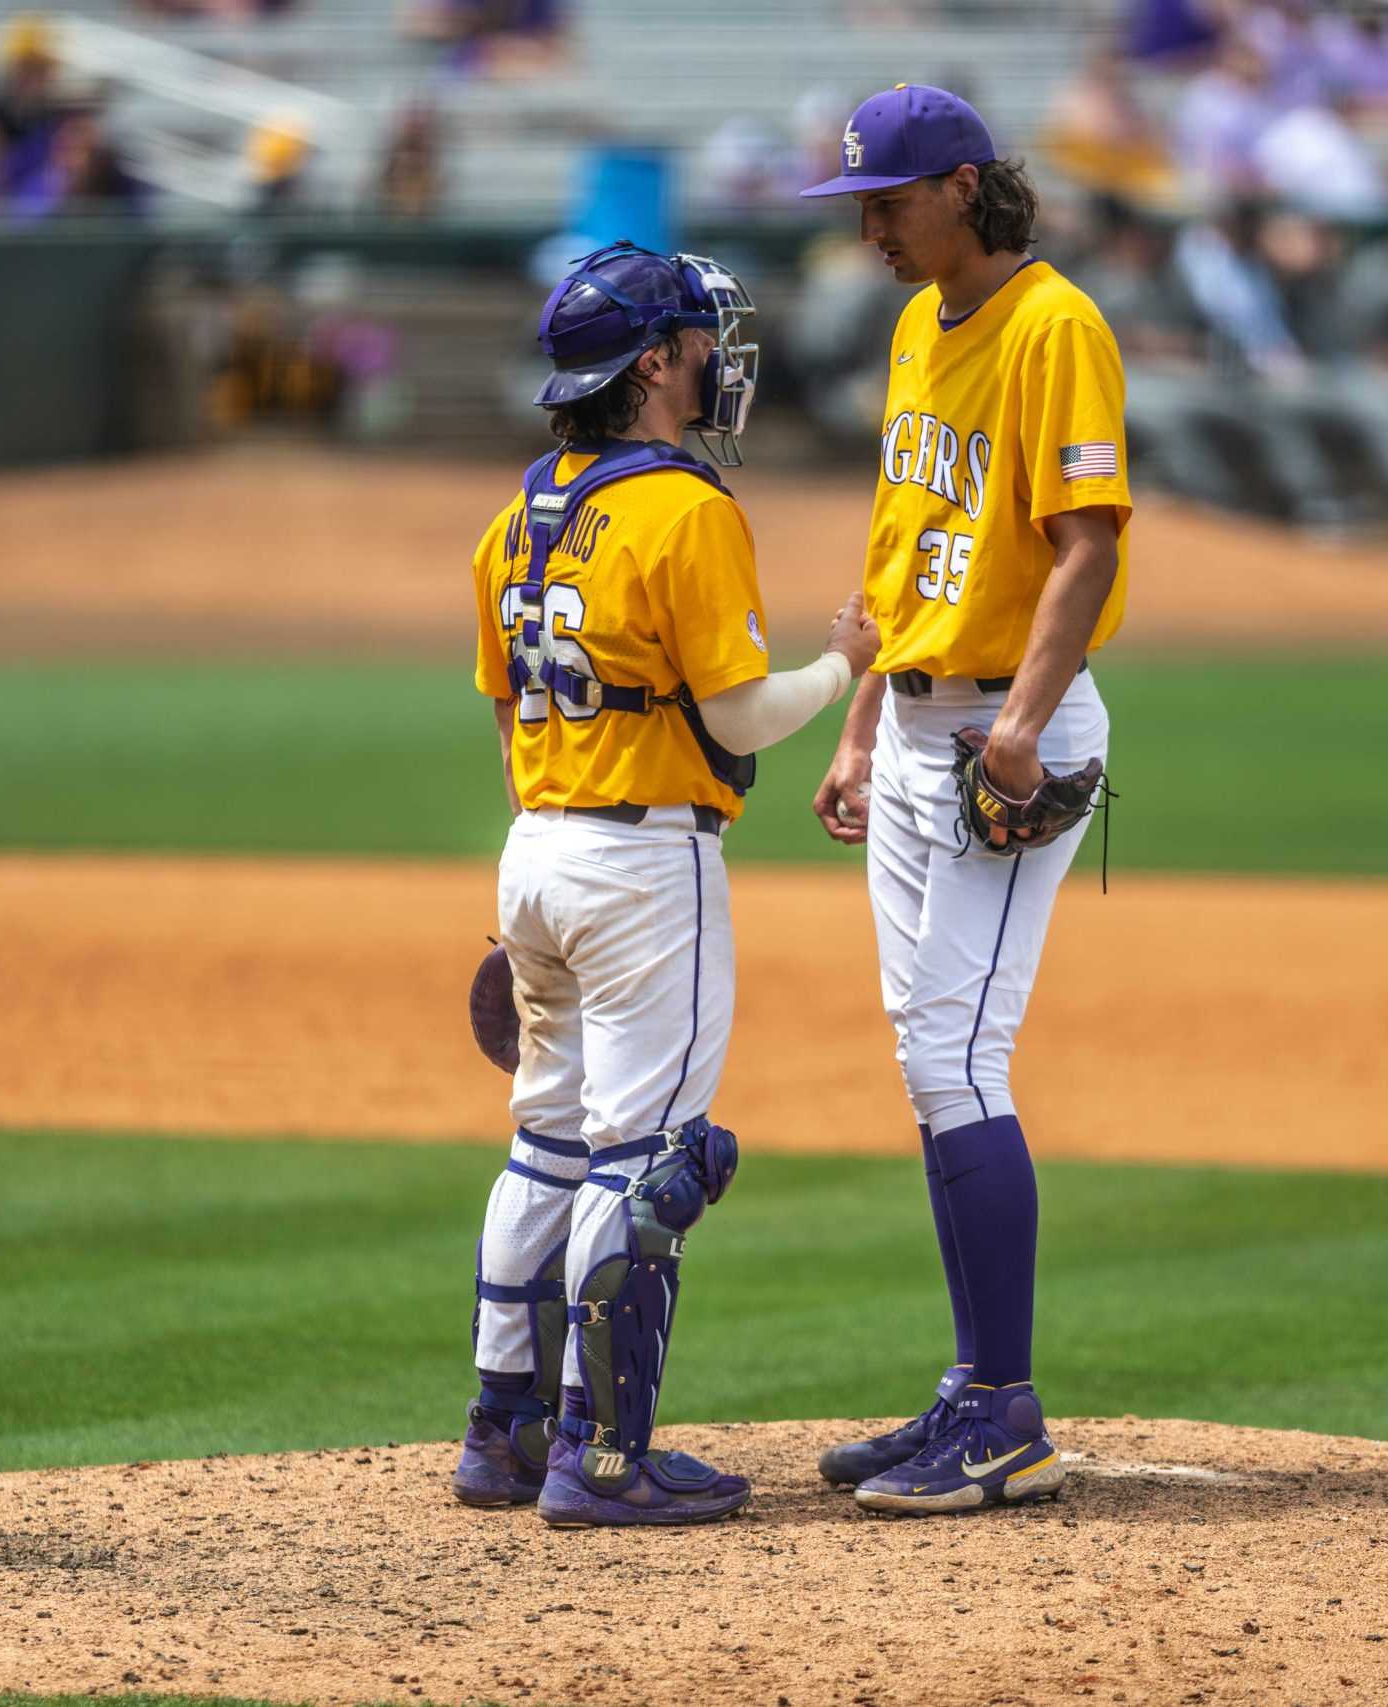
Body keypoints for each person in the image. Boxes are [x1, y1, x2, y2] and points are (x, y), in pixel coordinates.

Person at [454, 241, 881, 1527]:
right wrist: (841, 668)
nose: (715, 359)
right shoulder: (686, 509)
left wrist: (550, 860)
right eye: (699, 342)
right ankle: (606, 1457)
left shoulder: (518, 511)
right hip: (643, 865)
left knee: (543, 1147)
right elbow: (742, 719)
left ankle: (502, 1434)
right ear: (652, 367)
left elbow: (503, 712)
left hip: (537, 848)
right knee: (643, 1164)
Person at [797, 84, 1123, 1516]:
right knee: (931, 1059)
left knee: (958, 1055)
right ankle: (972, 1388)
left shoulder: (1056, 325)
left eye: (892, 199)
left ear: (968, 187)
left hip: (1006, 728)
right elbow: (901, 553)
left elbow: (1086, 544)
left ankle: (1005, 1411)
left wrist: (1030, 726)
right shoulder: (918, 327)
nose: (869, 225)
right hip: (922, 721)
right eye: (861, 204)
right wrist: (862, 727)